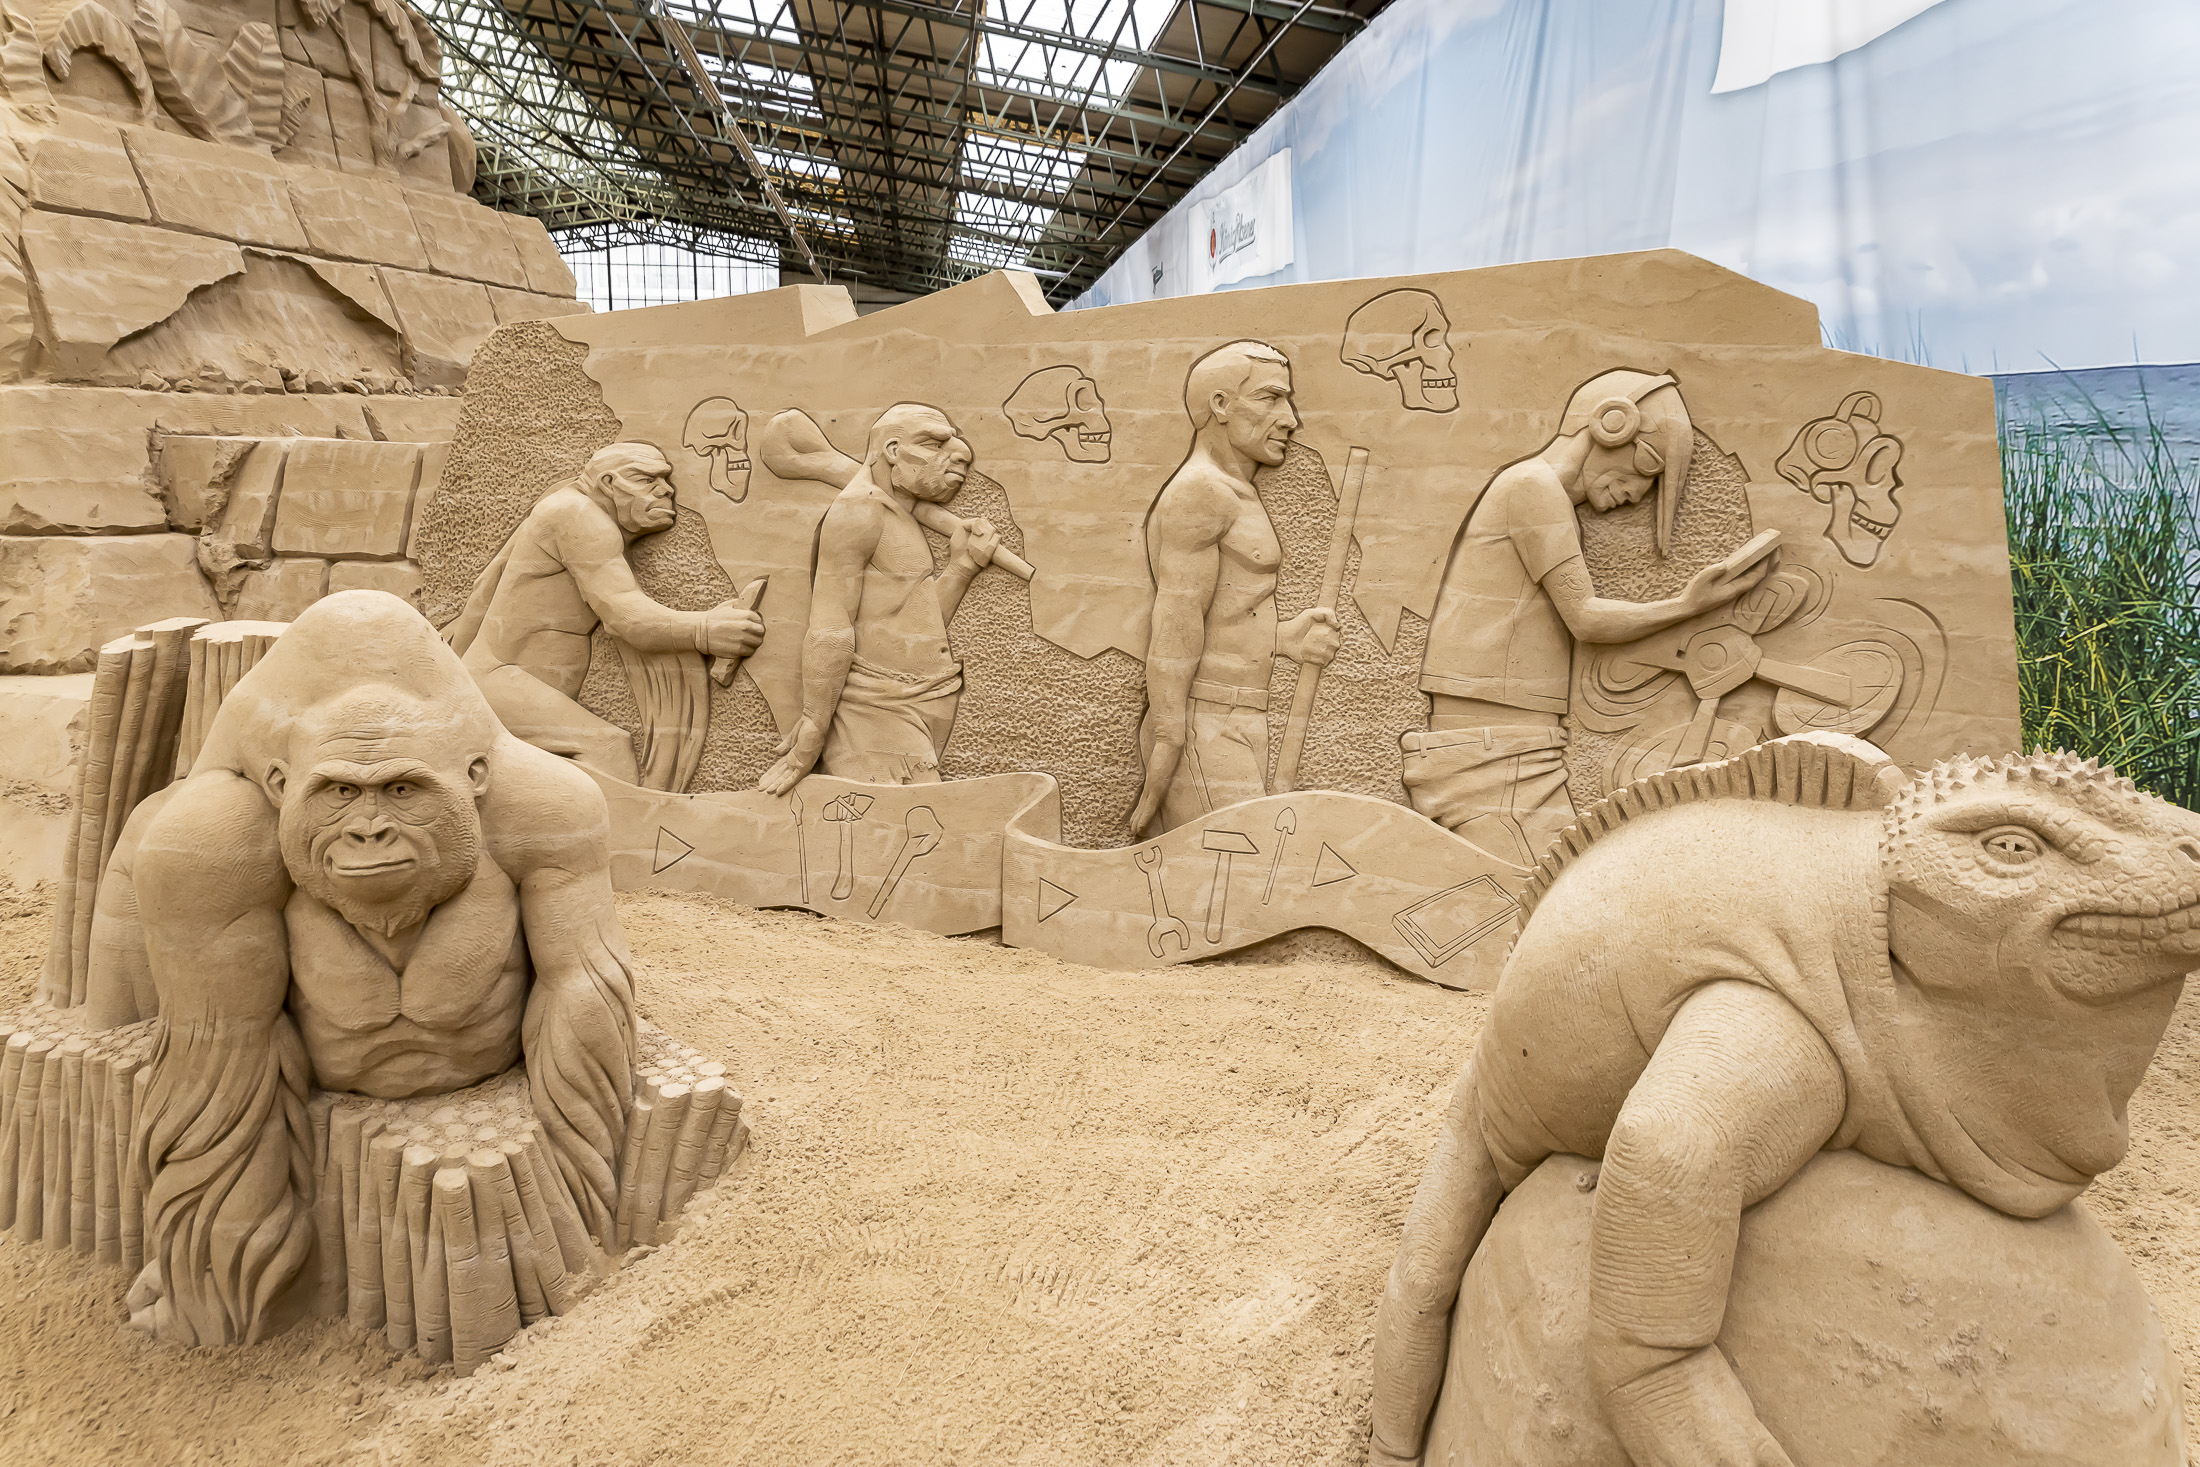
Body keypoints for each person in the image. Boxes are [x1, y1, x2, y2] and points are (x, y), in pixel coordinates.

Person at [1404, 370, 1772, 866]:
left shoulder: (1540, 494)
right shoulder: (1532, 488)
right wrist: (1688, 604)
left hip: (1513, 744)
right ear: (1611, 424)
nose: (1639, 493)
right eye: (1648, 465)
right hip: (1492, 754)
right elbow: (1586, 618)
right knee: (1545, 893)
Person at [442, 443, 763, 788]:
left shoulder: (563, 507)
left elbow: (483, 588)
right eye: (648, 480)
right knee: (607, 747)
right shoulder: (578, 514)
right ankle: (622, 827)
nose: (667, 489)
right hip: (501, 681)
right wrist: (705, 631)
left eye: (666, 479)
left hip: (499, 682)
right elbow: (627, 617)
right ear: (608, 483)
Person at [1131, 340, 1341, 835]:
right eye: (1271, 398)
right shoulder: (1202, 491)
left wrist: (1284, 639)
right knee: (1234, 870)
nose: (1290, 419)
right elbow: (1177, 619)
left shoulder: (1235, 491)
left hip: (1239, 715)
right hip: (1206, 722)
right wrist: (1169, 737)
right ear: (1221, 405)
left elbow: (1222, 612)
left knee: (1239, 870)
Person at [758, 404, 997, 792]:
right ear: (892, 451)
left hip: (921, 699)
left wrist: (962, 568)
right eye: (935, 443)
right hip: (875, 709)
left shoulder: (894, 511)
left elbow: (915, 619)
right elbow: (831, 630)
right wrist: (813, 732)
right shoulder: (858, 511)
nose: (960, 454)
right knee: (912, 820)